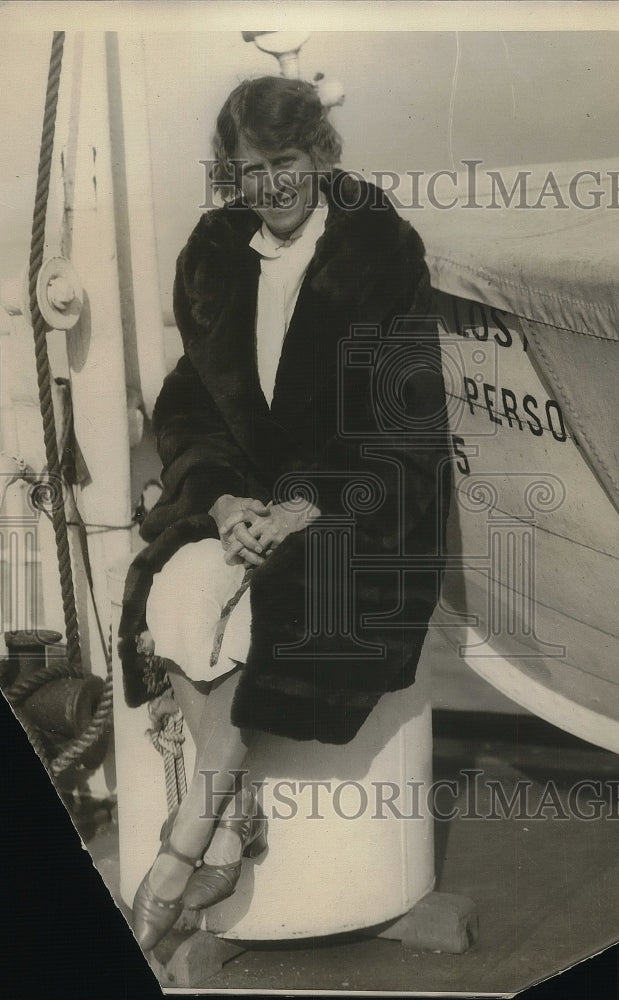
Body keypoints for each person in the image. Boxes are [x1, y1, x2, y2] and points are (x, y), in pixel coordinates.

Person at [118, 75, 450, 952]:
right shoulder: (218, 254)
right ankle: (229, 825)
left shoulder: (380, 253)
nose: (270, 184)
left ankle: (190, 840)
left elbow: (402, 420)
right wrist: (223, 498)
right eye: (249, 168)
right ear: (231, 174)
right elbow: (189, 407)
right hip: (242, 502)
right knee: (177, 587)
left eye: (285, 161)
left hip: (363, 511)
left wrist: (304, 506)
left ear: (321, 154)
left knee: (272, 602)